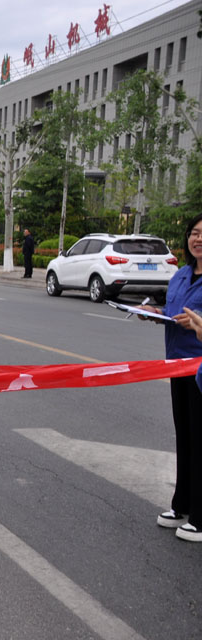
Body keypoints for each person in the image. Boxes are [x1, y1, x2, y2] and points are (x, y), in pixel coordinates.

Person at [139, 212, 202, 542]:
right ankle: (182, 505)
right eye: (194, 233)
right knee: (185, 437)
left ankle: (200, 518)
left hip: (200, 368)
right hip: (176, 365)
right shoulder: (180, 275)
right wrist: (155, 314)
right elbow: (172, 311)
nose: (198, 239)